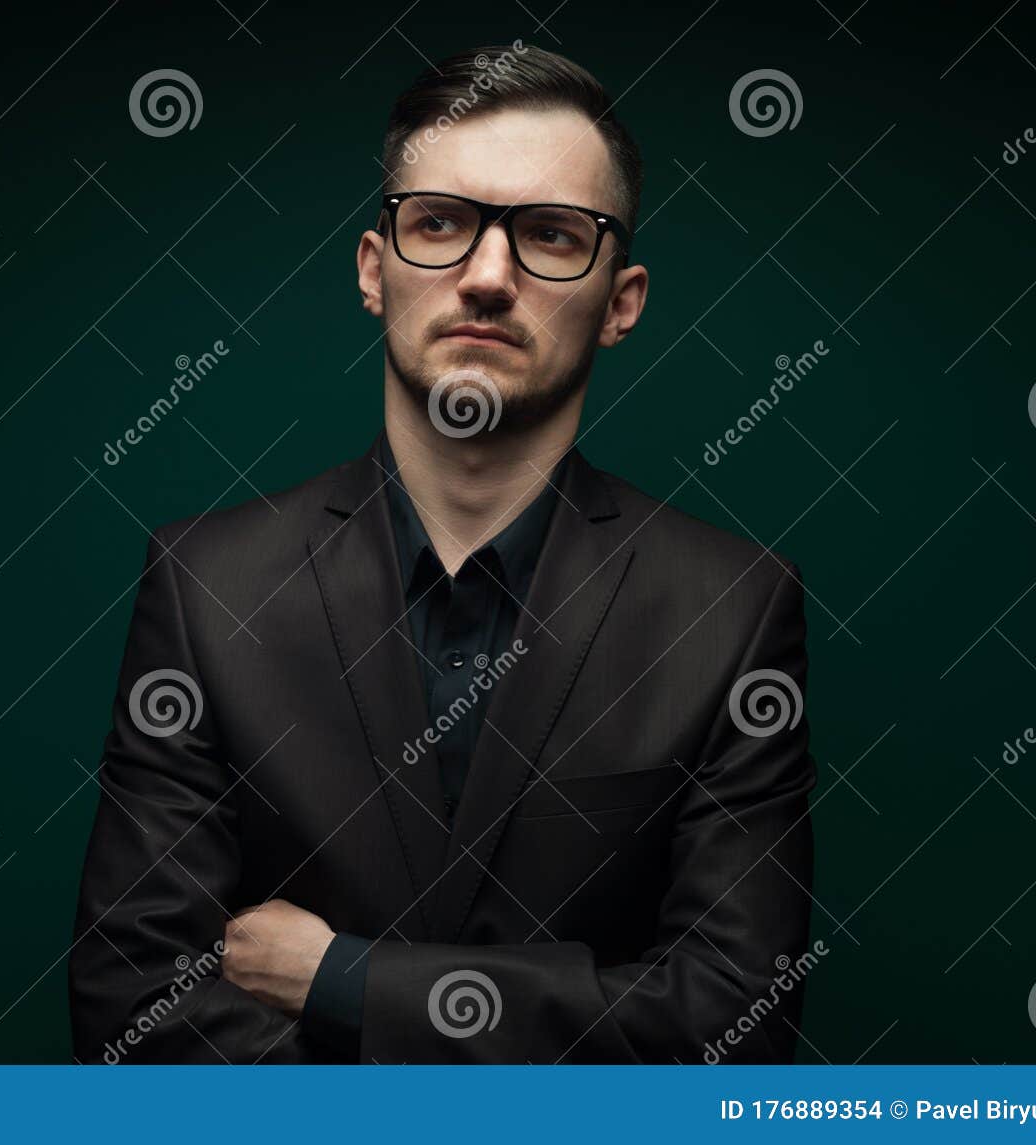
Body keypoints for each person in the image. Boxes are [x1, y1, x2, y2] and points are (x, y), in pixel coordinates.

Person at [70, 43, 817, 1063]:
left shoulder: (729, 609)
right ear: (375, 271)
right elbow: (133, 1006)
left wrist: (344, 977)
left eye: (552, 236)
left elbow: (733, 1027)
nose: (488, 276)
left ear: (622, 301)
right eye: (440, 223)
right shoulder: (207, 587)